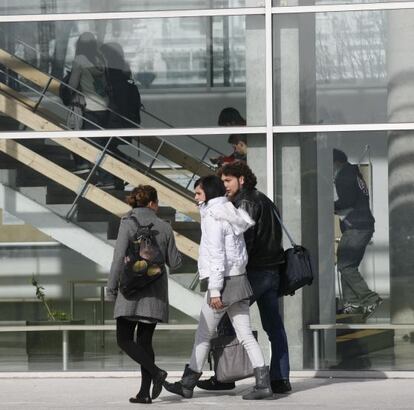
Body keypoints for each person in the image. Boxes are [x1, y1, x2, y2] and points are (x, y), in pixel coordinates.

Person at [164, 175, 273, 400]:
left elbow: (217, 256)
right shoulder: (230, 212)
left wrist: (214, 291)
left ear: (209, 194)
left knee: (203, 334)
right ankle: (264, 384)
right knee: (245, 335)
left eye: (198, 193)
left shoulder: (214, 217)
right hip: (239, 280)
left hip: (222, 284)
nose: (195, 197)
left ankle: (187, 384)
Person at [197, 161, 291, 394]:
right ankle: (280, 379)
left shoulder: (245, 202)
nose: (224, 185)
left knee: (228, 321)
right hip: (273, 271)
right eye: (222, 181)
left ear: (242, 179)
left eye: (228, 180)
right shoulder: (265, 200)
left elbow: (241, 242)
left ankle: (225, 377)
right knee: (274, 327)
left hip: (254, 272)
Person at [106, 185, 182, 404]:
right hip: (155, 293)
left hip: (130, 291)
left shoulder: (127, 223)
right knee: (145, 341)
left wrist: (111, 289)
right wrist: (169, 238)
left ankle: (157, 374)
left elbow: (118, 258)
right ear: (152, 203)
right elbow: (175, 263)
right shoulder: (164, 226)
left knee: (124, 339)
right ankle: (144, 393)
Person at [333, 149, 382, 316]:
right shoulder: (353, 173)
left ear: (335, 162)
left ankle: (370, 298)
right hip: (361, 225)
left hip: (357, 226)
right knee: (348, 265)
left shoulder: (344, 175)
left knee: (345, 265)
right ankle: (352, 303)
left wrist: (328, 205)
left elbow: (347, 201)